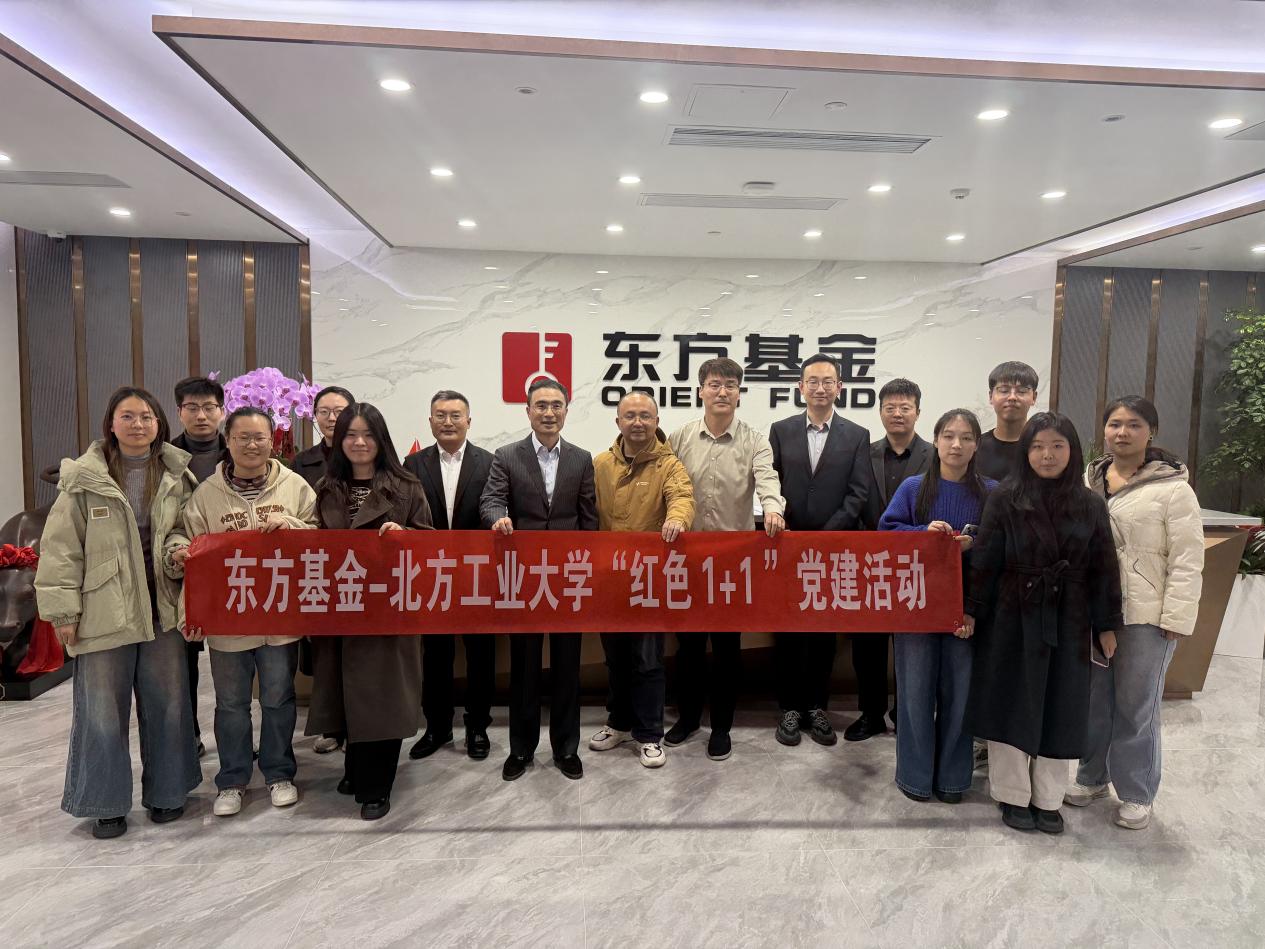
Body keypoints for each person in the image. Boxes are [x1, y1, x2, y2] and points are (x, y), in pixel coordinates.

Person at [35, 386, 200, 839]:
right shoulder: (84, 478)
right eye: (127, 416)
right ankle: (104, 803)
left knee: (169, 704)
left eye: (146, 416)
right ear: (111, 423)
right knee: (102, 711)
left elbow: (185, 530)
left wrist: (177, 552)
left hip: (162, 608)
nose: (137, 424)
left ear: (159, 423)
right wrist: (63, 611)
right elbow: (60, 549)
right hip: (102, 609)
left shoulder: (176, 474)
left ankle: (169, 792)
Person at [963, 413, 1123, 835]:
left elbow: (1104, 567)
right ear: (1025, 451)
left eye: (1056, 446)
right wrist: (971, 609)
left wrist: (1107, 624)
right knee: (1010, 701)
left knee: (1062, 705)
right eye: (1037, 446)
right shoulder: (1005, 497)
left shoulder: (1090, 503)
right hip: (1011, 613)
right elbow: (985, 558)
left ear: (1072, 451)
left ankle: (1049, 799)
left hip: (1069, 616)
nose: (1046, 455)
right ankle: (1012, 794)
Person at [1067, 396, 1203, 830]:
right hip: (1094, 610)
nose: (1122, 432)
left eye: (1133, 425)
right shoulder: (1089, 482)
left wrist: (1176, 618)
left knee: (1135, 706)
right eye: (1114, 424)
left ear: (1151, 432)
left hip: (1147, 616)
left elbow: (1187, 558)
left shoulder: (1173, 489)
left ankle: (1137, 791)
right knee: (1094, 701)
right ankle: (1091, 777)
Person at [177, 407, 318, 817]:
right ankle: (232, 780)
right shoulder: (206, 494)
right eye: (243, 437)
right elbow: (190, 551)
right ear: (228, 441)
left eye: (260, 437)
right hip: (229, 619)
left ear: (273, 441)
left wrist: (292, 525)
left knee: (278, 698)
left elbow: (320, 537)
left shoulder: (295, 486)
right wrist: (191, 610)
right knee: (231, 703)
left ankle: (279, 773)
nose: (252, 445)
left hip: (280, 615)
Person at [305, 402, 433, 820]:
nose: (359, 443)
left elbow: (431, 544)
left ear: (381, 440)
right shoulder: (327, 487)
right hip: (341, 608)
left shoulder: (406, 485)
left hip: (388, 611)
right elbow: (315, 542)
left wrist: (405, 535)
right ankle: (355, 768)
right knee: (346, 697)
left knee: (382, 700)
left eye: (368, 435)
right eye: (350, 435)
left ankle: (378, 785)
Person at [666, 357, 785, 762]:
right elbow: (668, 485)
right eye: (714, 384)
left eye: (730, 385)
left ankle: (721, 727)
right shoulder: (680, 437)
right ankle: (687, 719)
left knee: (727, 648)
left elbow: (768, 480)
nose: (722, 392)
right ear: (700, 391)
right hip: (686, 559)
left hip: (732, 564)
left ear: (739, 393)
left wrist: (773, 508)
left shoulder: (755, 440)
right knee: (688, 646)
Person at [479, 378, 598, 781]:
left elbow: (589, 519)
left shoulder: (581, 459)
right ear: (528, 411)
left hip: (568, 578)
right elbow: (491, 499)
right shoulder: (506, 455)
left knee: (567, 668)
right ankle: (521, 750)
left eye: (556, 405)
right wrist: (498, 518)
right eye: (541, 405)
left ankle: (566, 749)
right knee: (524, 667)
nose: (549, 413)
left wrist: (590, 572)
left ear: (566, 410)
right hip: (524, 578)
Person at [879, 409, 996, 803]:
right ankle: (914, 777)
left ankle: (952, 779)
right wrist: (922, 533)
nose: (956, 444)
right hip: (915, 606)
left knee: (959, 696)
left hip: (965, 610)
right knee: (914, 695)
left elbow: (1003, 546)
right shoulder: (914, 488)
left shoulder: (991, 492)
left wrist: (975, 541)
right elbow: (886, 533)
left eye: (966, 437)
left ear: (977, 444)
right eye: (948, 436)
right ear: (936, 441)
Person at [588, 393, 694, 768]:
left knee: (648, 660)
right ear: (618, 421)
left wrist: (677, 518)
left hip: (648, 580)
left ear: (656, 421)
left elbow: (682, 496)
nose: (637, 422)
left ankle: (650, 735)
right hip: (608, 579)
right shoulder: (600, 464)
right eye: (630, 415)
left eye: (645, 416)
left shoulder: (669, 464)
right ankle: (619, 723)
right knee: (615, 659)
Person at [769, 354, 869, 748]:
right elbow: (770, 485)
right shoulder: (781, 430)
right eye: (813, 381)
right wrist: (787, 529)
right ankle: (789, 708)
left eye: (828, 381)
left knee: (825, 631)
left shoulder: (857, 435)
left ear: (839, 388)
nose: (820, 388)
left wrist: (826, 536)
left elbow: (858, 493)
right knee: (787, 630)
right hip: (788, 548)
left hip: (833, 549)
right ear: (801, 387)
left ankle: (816, 706)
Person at [403, 390, 497, 762]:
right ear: (430, 422)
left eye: (455, 415)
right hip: (431, 576)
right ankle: (437, 726)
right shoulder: (412, 464)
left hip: (477, 575)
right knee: (436, 655)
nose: (448, 422)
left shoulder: (490, 462)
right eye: (440, 415)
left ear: (468, 421)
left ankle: (477, 727)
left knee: (481, 654)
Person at [850, 377, 932, 741]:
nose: (897, 414)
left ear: (918, 412)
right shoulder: (862, 453)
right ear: (880, 411)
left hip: (916, 565)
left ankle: (906, 714)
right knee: (866, 644)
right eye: (890, 407)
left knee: (911, 646)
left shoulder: (935, 455)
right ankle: (870, 714)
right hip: (868, 564)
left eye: (905, 407)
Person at [292, 383, 355, 755]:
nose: (332, 418)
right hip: (319, 568)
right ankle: (332, 727)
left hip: (359, 569)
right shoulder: (302, 462)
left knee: (358, 652)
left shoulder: (365, 452)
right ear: (314, 416)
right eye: (324, 411)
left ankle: (358, 724)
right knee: (326, 654)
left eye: (340, 411)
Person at [169, 375, 226, 757]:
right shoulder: (165, 457)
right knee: (181, 663)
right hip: (181, 570)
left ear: (222, 411)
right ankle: (188, 737)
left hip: (234, 573)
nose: (201, 415)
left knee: (235, 662)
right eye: (192, 407)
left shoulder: (238, 451)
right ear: (179, 412)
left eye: (208, 407)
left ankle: (238, 742)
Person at [975, 361, 1039, 482]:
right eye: (1004, 390)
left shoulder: (1042, 448)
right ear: (990, 396)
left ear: (1034, 397)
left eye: (1021, 391)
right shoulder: (975, 447)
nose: (1012, 397)